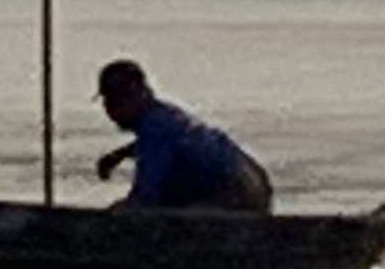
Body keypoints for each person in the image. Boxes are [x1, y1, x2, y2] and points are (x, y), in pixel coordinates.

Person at [93, 57, 274, 212]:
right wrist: (119, 155)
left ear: (141, 94)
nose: (112, 110)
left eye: (120, 100)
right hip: (252, 180)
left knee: (156, 209)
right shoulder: (163, 115)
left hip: (239, 191)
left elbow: (146, 193)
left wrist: (115, 216)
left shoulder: (156, 130)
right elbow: (166, 143)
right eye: (108, 101)